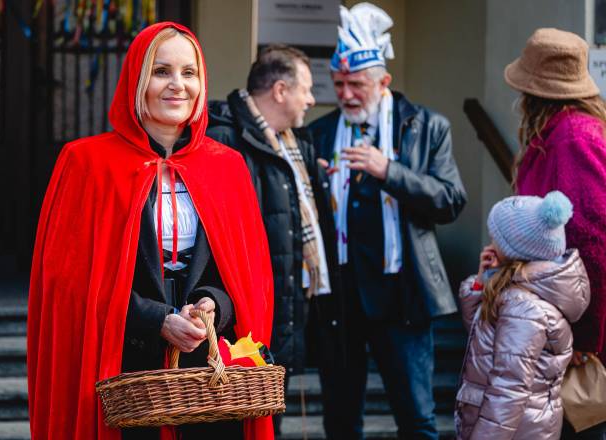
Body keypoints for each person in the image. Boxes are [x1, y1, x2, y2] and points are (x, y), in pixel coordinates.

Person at [26, 22, 275, 440]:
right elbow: (65, 282)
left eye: (189, 73)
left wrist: (212, 305)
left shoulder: (227, 166)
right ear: (136, 81)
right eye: (161, 71)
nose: (178, 85)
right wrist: (156, 319)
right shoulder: (85, 163)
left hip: (207, 369)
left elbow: (248, 276)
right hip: (120, 359)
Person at [308, 3, 467, 439]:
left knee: (415, 418)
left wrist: (388, 171)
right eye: (339, 84)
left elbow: (451, 200)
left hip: (402, 293)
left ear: (384, 83)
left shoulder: (426, 126)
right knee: (340, 420)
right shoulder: (319, 133)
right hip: (339, 295)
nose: (345, 94)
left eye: (356, 84)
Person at [206, 45, 340, 434]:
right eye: (307, 88)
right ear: (281, 91)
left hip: (282, 307)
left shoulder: (295, 144)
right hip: (238, 313)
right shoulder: (225, 138)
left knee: (269, 418)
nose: (313, 99)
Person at [505, 27, 606, 440]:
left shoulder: (573, 138)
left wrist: (587, 342)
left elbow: (595, 246)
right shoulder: (562, 134)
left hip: (573, 346)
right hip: (554, 336)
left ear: (533, 92)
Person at [455, 191, 590, 439]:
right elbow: (482, 340)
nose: (491, 242)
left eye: (496, 237)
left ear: (516, 249)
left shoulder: (523, 307)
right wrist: (481, 283)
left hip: (515, 430)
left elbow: (508, 391)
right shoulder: (517, 293)